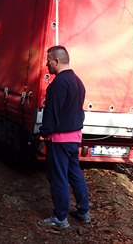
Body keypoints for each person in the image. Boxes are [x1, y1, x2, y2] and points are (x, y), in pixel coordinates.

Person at [38, 45, 91, 229]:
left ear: (57, 61)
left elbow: (51, 113)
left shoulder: (58, 84)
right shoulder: (78, 81)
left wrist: (43, 133)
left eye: (48, 60)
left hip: (59, 139)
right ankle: (83, 211)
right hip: (74, 137)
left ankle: (60, 217)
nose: (47, 64)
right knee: (75, 174)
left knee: (58, 176)